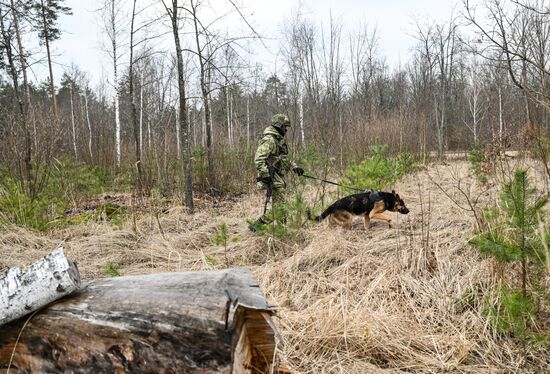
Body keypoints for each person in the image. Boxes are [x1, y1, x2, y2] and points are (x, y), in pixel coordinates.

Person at [249, 114, 304, 230]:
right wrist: (265, 175)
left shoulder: (278, 140)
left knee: (281, 205)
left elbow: (282, 159)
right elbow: (258, 158)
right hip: (271, 176)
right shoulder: (270, 140)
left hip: (276, 176)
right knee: (280, 207)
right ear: (278, 125)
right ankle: (258, 226)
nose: (286, 129)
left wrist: (295, 167)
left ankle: (281, 229)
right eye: (285, 126)